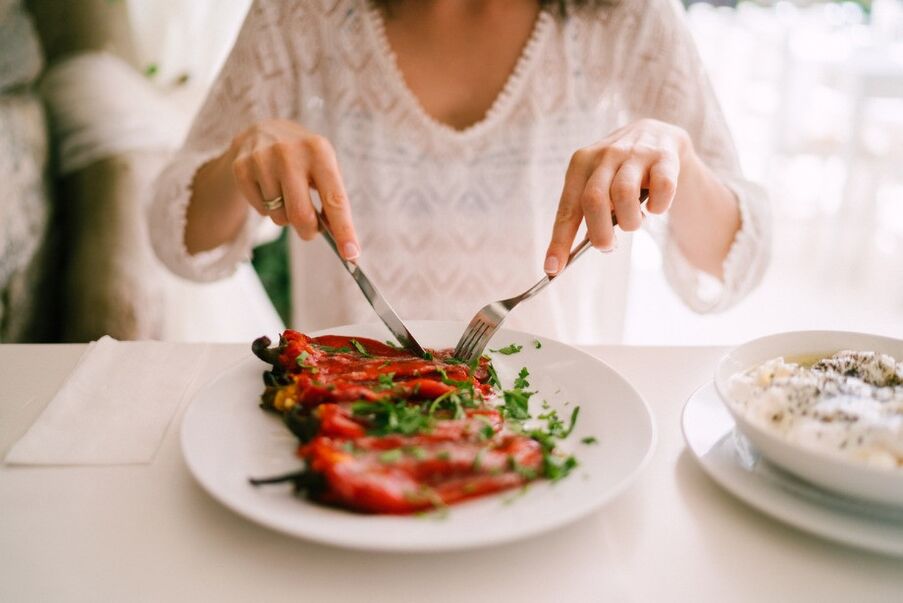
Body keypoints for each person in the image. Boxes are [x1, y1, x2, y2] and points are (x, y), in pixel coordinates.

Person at [149, 0, 769, 343]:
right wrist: (243, 162)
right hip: (342, 431)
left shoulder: (628, 20)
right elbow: (179, 244)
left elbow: (734, 262)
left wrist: (676, 156)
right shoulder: (298, 17)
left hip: (560, 431)